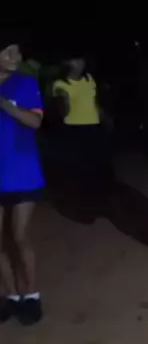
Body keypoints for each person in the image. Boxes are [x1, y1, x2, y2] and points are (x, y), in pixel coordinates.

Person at [0, 40, 44, 325]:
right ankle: (11, 296)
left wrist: (4, 103)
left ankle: (32, 295)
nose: (16, 56)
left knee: (19, 237)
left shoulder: (25, 83)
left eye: (17, 51)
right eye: (8, 51)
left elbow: (34, 122)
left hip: (23, 172)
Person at [52, 55, 112, 221]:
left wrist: (106, 118)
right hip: (75, 130)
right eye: (74, 60)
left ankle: (95, 204)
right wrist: (63, 100)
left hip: (93, 128)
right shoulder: (60, 84)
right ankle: (79, 207)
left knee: (97, 167)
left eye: (81, 60)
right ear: (66, 63)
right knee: (79, 169)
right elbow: (63, 113)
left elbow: (93, 103)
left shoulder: (89, 79)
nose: (79, 64)